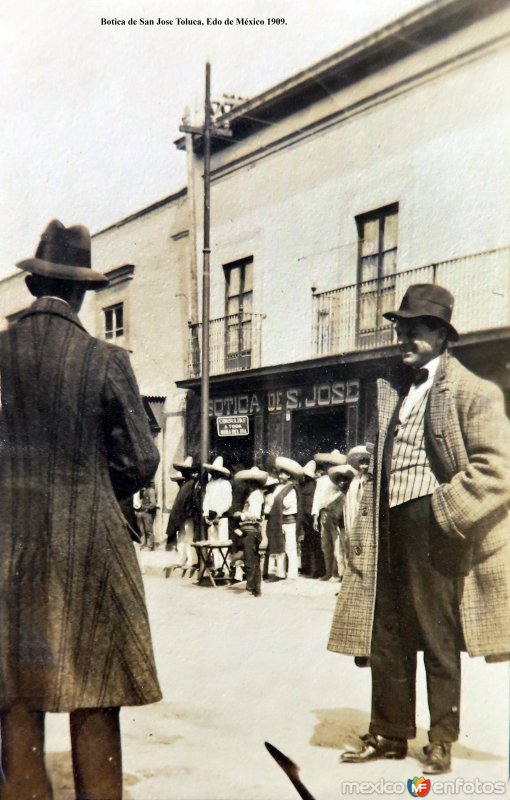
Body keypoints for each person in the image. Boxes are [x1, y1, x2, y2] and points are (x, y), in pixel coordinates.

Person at [0, 220, 162, 800]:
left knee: (14, 689)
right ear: (81, 293)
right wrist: (97, 484)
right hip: (90, 546)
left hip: (6, 551)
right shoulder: (104, 359)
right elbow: (141, 460)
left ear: (33, 283)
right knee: (94, 686)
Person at [329, 283, 510, 775]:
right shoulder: (392, 387)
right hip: (389, 523)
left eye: (416, 328)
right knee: (385, 629)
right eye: (401, 327)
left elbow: (498, 470)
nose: (404, 336)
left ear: (442, 334)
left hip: (435, 526)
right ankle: (388, 733)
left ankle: (441, 741)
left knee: (436, 634)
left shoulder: (473, 391)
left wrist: (443, 509)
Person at [232, 467, 268, 596]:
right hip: (250, 529)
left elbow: (255, 515)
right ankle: (255, 588)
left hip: (251, 530)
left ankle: (250, 588)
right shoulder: (254, 495)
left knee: (250, 559)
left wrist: (240, 515)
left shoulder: (256, 496)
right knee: (253, 559)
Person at [266, 457, 303, 580]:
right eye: (280, 473)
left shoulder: (292, 489)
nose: (280, 476)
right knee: (279, 546)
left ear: (288, 476)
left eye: (283, 474)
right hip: (278, 520)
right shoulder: (278, 488)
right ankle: (280, 573)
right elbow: (272, 502)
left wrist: (275, 503)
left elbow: (286, 504)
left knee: (290, 547)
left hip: (289, 520)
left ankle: (292, 573)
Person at [312, 450, 347, 580]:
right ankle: (328, 572)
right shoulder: (321, 480)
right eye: (327, 464)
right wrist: (315, 516)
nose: (329, 467)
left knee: (337, 545)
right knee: (325, 545)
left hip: (335, 514)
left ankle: (337, 573)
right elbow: (317, 498)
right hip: (324, 514)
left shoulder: (340, 479)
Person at [165, 456, 201, 570]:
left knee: (187, 536)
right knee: (182, 536)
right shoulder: (185, 483)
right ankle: (182, 559)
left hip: (187, 514)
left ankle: (190, 560)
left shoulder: (191, 483)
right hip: (181, 514)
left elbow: (192, 499)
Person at [325, 465, 357, 581]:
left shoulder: (351, 494)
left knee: (347, 550)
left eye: (344, 480)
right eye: (339, 481)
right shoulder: (336, 495)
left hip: (346, 526)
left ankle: (347, 576)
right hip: (337, 527)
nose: (342, 483)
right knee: (338, 551)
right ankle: (341, 573)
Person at [202, 456, 233, 574]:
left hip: (221, 516)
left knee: (223, 542)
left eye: (216, 471)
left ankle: (225, 567)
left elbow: (228, 502)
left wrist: (218, 514)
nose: (214, 473)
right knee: (213, 542)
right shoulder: (209, 485)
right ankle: (216, 566)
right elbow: (206, 500)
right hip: (211, 516)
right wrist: (205, 514)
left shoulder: (226, 484)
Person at [298, 460, 325, 578]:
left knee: (312, 544)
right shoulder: (310, 485)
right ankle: (312, 568)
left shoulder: (309, 485)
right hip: (308, 517)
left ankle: (313, 568)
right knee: (312, 544)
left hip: (309, 517)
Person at [343, 445, 371, 538]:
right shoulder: (355, 480)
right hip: (356, 507)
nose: (363, 466)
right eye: (361, 463)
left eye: (366, 463)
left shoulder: (371, 478)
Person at [137, 481, 158, 550]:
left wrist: (147, 508)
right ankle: (142, 544)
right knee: (141, 530)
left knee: (148, 530)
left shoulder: (151, 491)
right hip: (140, 512)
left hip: (147, 512)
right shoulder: (142, 490)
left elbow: (153, 503)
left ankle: (150, 546)